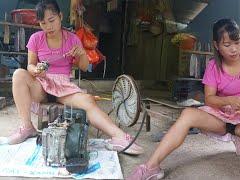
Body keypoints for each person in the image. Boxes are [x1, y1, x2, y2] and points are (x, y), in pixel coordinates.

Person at [127, 18, 240, 180]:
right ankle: (150, 167)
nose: (234, 49)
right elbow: (210, 99)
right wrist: (229, 100)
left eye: (237, 42)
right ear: (217, 46)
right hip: (219, 117)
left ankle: (238, 134)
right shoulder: (213, 66)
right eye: (227, 45)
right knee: (188, 115)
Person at [7, 0, 143, 155]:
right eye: (43, 23)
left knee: (88, 101)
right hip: (41, 84)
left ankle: (118, 136)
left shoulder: (72, 39)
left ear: (60, 16)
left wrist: (81, 54)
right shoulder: (36, 38)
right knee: (19, 75)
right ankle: (26, 127)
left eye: (52, 20)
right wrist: (35, 69)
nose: (48, 27)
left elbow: (84, 67)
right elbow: (30, 65)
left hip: (63, 86)